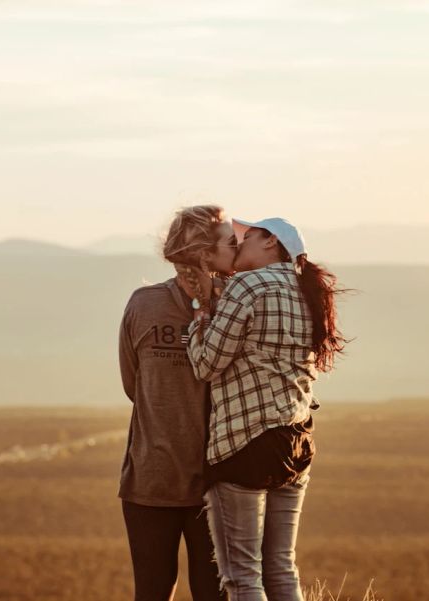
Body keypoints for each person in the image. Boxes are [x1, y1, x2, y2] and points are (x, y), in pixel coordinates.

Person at [184, 217, 348, 601]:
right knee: (281, 567)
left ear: (272, 242)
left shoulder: (248, 285)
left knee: (242, 576)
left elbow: (207, 364)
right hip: (297, 439)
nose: (238, 245)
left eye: (247, 237)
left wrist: (198, 319)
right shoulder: (309, 291)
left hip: (246, 441)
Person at [117, 205, 239, 601]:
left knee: (213, 594)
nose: (237, 248)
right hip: (151, 482)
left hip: (217, 485)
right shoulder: (144, 304)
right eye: (229, 241)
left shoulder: (236, 305)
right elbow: (134, 385)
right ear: (204, 252)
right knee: (152, 592)